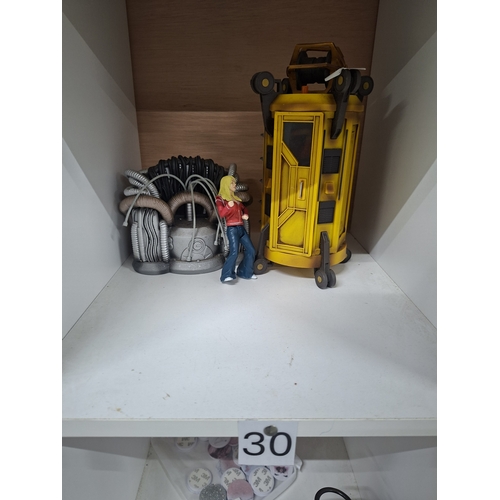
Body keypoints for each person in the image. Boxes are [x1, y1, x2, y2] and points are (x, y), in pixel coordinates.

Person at [215, 175, 256, 283]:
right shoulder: (220, 199)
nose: (235, 184)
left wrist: (245, 214)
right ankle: (226, 275)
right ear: (226, 185)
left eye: (234, 182)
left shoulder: (236, 199)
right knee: (234, 252)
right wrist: (228, 206)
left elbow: (244, 208)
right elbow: (221, 214)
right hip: (232, 229)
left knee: (251, 250)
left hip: (241, 228)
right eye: (232, 183)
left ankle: (245, 272)